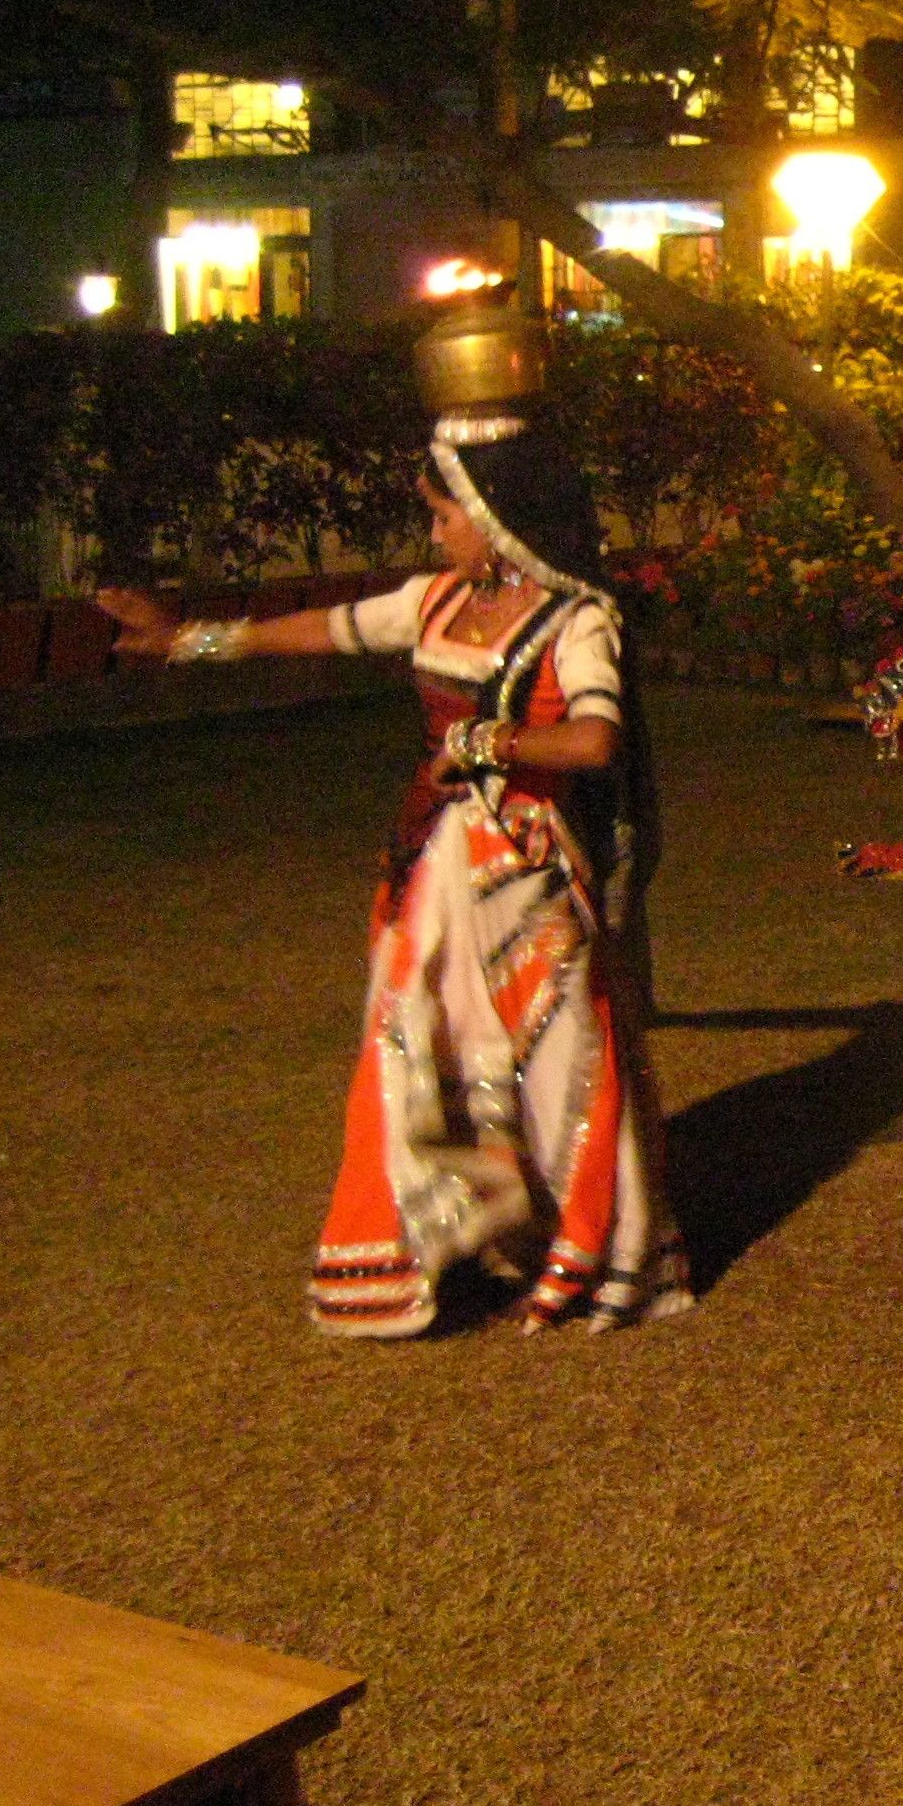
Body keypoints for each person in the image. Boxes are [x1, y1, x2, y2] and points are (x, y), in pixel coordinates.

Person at [101, 364, 688, 1339]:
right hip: (433, 864)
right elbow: (313, 633)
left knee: (562, 1057)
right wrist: (184, 643)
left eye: (444, 515)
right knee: (419, 1040)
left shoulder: (574, 621)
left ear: (495, 514)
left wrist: (491, 742)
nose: (434, 533)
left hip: (529, 869)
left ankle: (583, 1247)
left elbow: (593, 741)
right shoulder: (434, 602)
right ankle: (452, 1231)